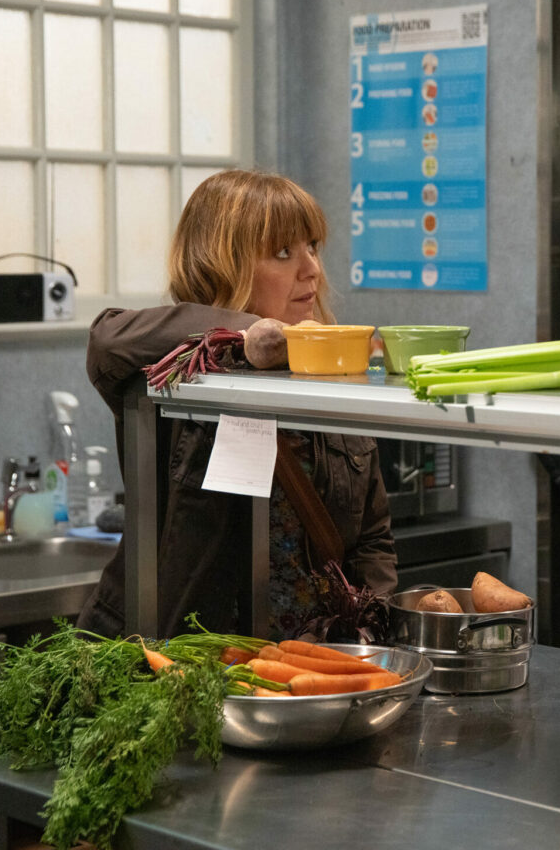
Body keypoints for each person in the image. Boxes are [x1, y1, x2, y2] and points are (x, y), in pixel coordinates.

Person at [76, 169, 397, 639]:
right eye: (283, 252)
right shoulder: (185, 370)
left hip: (307, 669)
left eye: (312, 247)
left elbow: (372, 540)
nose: (311, 269)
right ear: (220, 264)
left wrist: (368, 631)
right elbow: (107, 340)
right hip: (192, 663)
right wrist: (245, 336)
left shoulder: (332, 373)